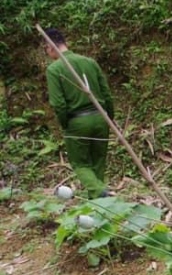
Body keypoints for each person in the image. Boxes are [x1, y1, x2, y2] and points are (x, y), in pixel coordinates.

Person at [44, 28, 115, 199]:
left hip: (77, 121)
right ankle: (99, 201)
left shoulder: (54, 69)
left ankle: (98, 192)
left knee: (80, 163)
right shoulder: (89, 62)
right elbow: (106, 93)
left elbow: (58, 103)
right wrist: (109, 118)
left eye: (45, 49)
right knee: (98, 160)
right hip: (100, 117)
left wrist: (65, 124)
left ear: (50, 46)